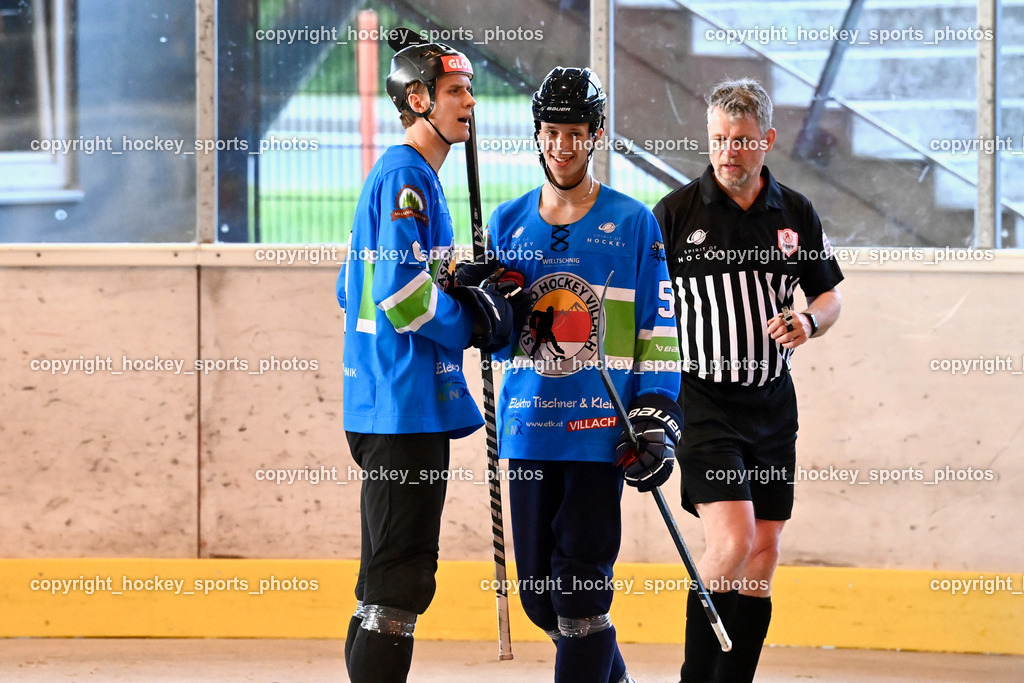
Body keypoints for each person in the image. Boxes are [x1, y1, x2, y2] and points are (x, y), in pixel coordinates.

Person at [457, 66, 682, 683]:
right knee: (540, 601)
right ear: (538, 135)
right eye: (552, 132)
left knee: (581, 600)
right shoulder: (504, 224)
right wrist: (479, 308)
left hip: (598, 434)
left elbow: (657, 328)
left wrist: (658, 414)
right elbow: (498, 346)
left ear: (595, 134)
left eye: (575, 133)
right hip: (528, 433)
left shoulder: (634, 223)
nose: (562, 145)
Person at [336, 41, 528, 683]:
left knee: (384, 579)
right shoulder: (407, 178)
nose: (471, 102)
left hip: (392, 402)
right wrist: (470, 320)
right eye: (456, 92)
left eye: (469, 91)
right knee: (400, 583)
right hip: (403, 405)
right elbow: (397, 296)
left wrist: (457, 278)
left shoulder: (410, 176)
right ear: (418, 99)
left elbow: (351, 286)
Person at [652, 77, 844, 683]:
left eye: (740, 141)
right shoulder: (676, 213)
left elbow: (828, 296)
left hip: (771, 405)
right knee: (731, 543)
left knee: (763, 554)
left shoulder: (794, 212)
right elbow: (645, 308)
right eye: (717, 140)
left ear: (767, 140)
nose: (727, 152)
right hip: (703, 401)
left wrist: (809, 321)